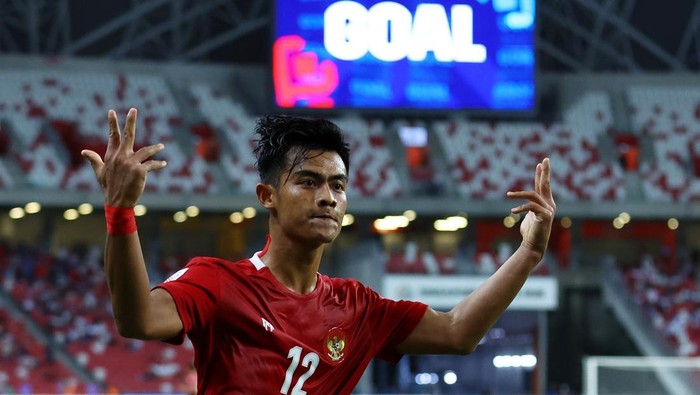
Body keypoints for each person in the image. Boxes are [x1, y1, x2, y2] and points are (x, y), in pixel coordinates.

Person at [81, 108, 556, 394]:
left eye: (338, 185)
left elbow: (457, 333)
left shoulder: (357, 308)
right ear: (267, 197)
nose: (327, 197)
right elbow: (137, 319)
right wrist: (120, 211)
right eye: (307, 182)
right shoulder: (218, 282)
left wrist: (528, 255)